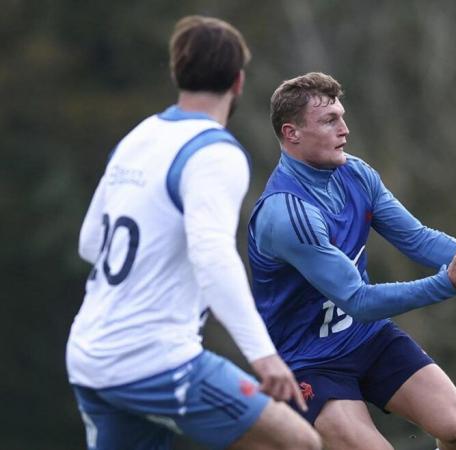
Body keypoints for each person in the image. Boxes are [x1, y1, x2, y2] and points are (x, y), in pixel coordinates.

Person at [247, 72, 456, 450]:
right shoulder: (286, 214)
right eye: (329, 121)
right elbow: (358, 300)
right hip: (309, 361)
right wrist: (446, 284)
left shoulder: (356, 174)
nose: (345, 130)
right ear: (292, 133)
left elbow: (417, 239)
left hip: (365, 337)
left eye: (342, 116)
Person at [65, 17, 321, 450]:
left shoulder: (138, 138)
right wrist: (264, 356)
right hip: (154, 361)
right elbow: (213, 258)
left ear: (176, 73)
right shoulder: (214, 152)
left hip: (90, 355)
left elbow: (91, 243)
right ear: (238, 82)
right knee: (298, 443)